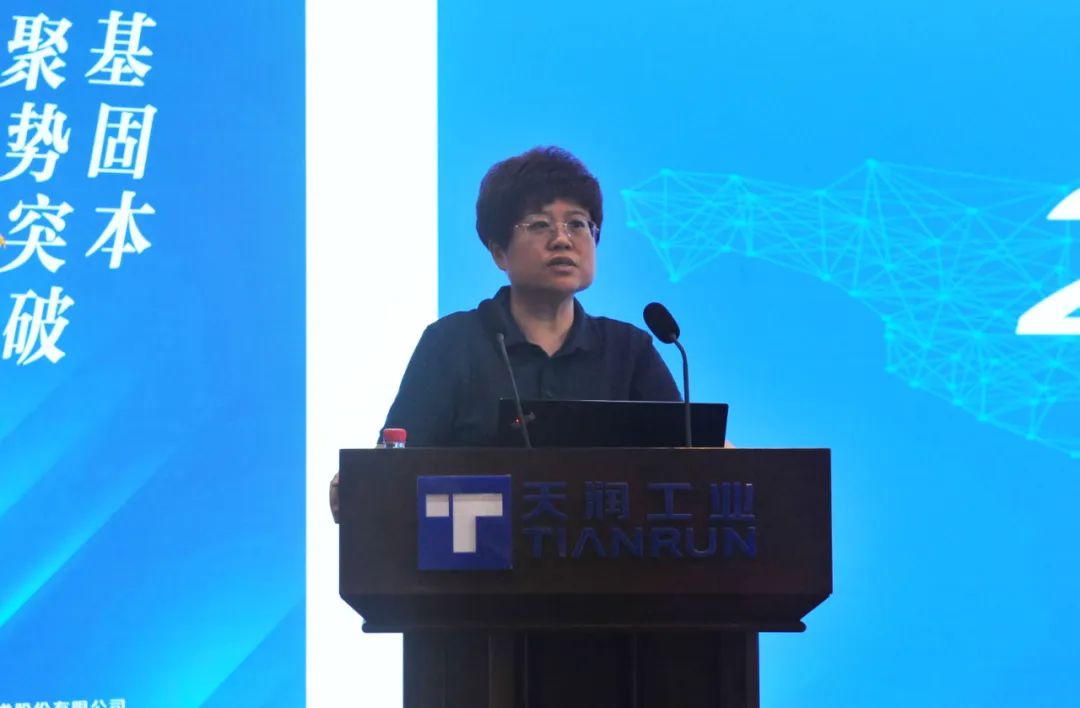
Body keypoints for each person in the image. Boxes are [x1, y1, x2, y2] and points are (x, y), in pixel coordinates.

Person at [330, 146, 682, 521]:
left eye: (578, 224)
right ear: (499, 252)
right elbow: (397, 463)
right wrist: (363, 483)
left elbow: (690, 465)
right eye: (540, 224)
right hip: (475, 555)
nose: (562, 239)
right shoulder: (451, 343)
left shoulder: (630, 351)